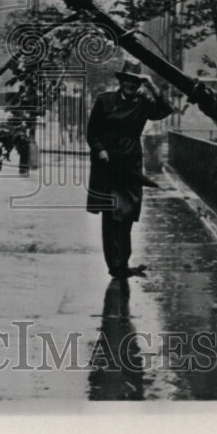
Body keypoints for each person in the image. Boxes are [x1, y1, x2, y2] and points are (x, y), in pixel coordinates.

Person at [86, 60, 173, 285]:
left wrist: (152, 85)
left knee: (127, 215)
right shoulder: (105, 101)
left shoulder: (143, 103)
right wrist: (101, 150)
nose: (130, 85)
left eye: (135, 82)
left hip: (132, 163)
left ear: (139, 84)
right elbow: (92, 133)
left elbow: (166, 110)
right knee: (112, 214)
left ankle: (122, 264)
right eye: (127, 81)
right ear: (121, 81)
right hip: (108, 165)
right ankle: (115, 265)